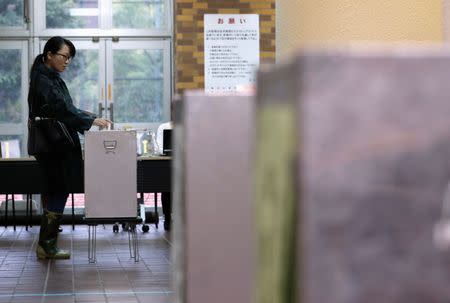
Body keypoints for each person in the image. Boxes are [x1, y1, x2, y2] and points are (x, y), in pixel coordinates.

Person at [28, 36, 111, 259]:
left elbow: (65, 108)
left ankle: (47, 244)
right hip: (53, 145)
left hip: (52, 143)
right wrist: (91, 121)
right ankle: (46, 245)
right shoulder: (45, 80)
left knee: (58, 188)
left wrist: (89, 116)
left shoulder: (47, 76)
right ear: (49, 55)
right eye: (64, 56)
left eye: (69, 58)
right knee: (59, 188)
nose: (67, 62)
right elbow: (62, 110)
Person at [156, 115, 173, 231]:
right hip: (168, 163)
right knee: (167, 185)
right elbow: (159, 148)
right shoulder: (164, 127)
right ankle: (167, 218)